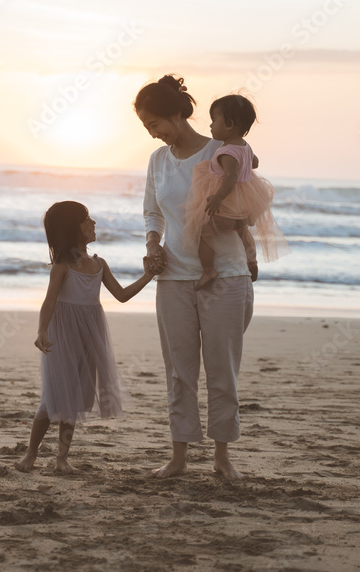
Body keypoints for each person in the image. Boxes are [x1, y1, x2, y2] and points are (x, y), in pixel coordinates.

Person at [138, 75, 254, 481]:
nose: (153, 133)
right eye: (147, 128)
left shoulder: (221, 149)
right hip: (173, 276)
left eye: (155, 123)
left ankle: (223, 457)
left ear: (175, 113)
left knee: (222, 370)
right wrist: (154, 245)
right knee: (179, 371)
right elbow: (152, 210)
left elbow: (246, 206)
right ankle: (179, 456)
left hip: (225, 274)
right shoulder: (158, 160)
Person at [15, 201, 155, 474]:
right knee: (53, 397)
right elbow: (49, 302)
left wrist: (148, 276)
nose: (93, 223)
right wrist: (41, 330)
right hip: (62, 336)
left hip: (91, 335)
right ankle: (31, 453)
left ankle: (62, 458)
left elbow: (122, 296)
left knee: (75, 399)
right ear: (72, 228)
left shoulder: (99, 263)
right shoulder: (62, 267)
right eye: (87, 219)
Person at [183, 95, 288, 290]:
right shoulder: (244, 146)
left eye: (214, 120)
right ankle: (251, 260)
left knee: (203, 229)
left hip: (228, 201)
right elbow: (254, 163)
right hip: (244, 200)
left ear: (230, 124)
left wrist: (217, 198)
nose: (211, 126)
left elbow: (230, 177)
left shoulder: (227, 152)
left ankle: (208, 270)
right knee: (241, 229)